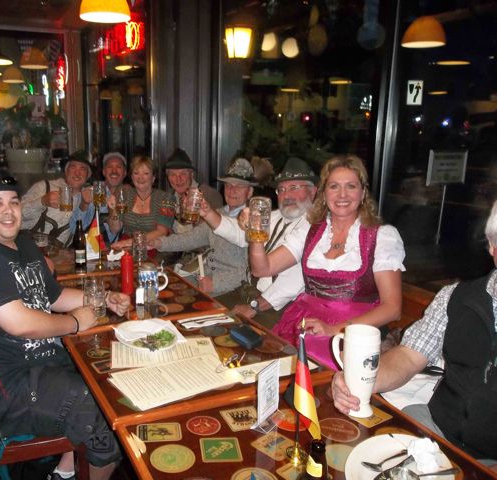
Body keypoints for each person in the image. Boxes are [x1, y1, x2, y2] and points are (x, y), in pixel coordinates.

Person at [0, 169, 130, 480]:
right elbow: (20, 324)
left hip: (42, 366)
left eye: (13, 202)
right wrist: (74, 323)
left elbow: (54, 296)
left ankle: (65, 471)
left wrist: (104, 298)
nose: (8, 211)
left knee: (112, 379)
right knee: (103, 409)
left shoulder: (23, 243)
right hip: (4, 390)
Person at [332, 201, 497, 466]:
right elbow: (408, 356)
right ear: (492, 246)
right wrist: (358, 381)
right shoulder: (455, 298)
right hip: (435, 429)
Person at [251, 155, 405, 370]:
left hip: (352, 334)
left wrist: (336, 329)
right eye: (334, 186)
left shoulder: (382, 236)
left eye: (351, 186)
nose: (342, 194)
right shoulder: (310, 229)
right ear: (324, 194)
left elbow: (392, 308)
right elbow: (262, 269)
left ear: (362, 193)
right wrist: (255, 232)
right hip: (303, 324)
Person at [203, 157, 318, 328]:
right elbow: (238, 233)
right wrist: (206, 212)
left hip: (277, 309)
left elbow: (291, 284)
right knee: (204, 316)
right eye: (281, 189)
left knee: (222, 331)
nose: (287, 195)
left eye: (294, 188)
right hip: (248, 293)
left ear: (313, 191)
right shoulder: (276, 216)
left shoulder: (315, 227)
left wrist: (254, 307)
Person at [149, 158, 255, 296]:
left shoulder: (254, 221)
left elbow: (251, 269)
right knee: (158, 288)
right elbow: (190, 238)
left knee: (169, 296)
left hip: (233, 290)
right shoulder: (219, 214)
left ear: (250, 192)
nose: (232, 190)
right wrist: (157, 243)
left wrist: (215, 283)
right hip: (203, 277)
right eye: (228, 185)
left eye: (239, 186)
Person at [21, 150, 95, 246]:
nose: (77, 173)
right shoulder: (44, 186)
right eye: (73, 167)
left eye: (83, 169)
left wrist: (85, 204)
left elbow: (82, 231)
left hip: (58, 253)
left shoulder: (88, 200)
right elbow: (19, 214)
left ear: (88, 176)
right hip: (28, 247)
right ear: (66, 171)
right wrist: (42, 201)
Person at [108, 155, 175, 247]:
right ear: (132, 177)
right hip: (127, 247)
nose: (140, 178)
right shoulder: (124, 193)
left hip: (153, 247)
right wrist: (113, 210)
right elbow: (115, 229)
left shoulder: (166, 198)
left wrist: (130, 242)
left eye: (146, 173)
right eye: (136, 173)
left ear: (153, 177)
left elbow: (162, 232)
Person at [164, 147, 223, 234]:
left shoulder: (210, 195)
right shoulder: (167, 197)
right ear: (168, 177)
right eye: (173, 175)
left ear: (191, 174)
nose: (178, 179)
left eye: (183, 174)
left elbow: (211, 232)